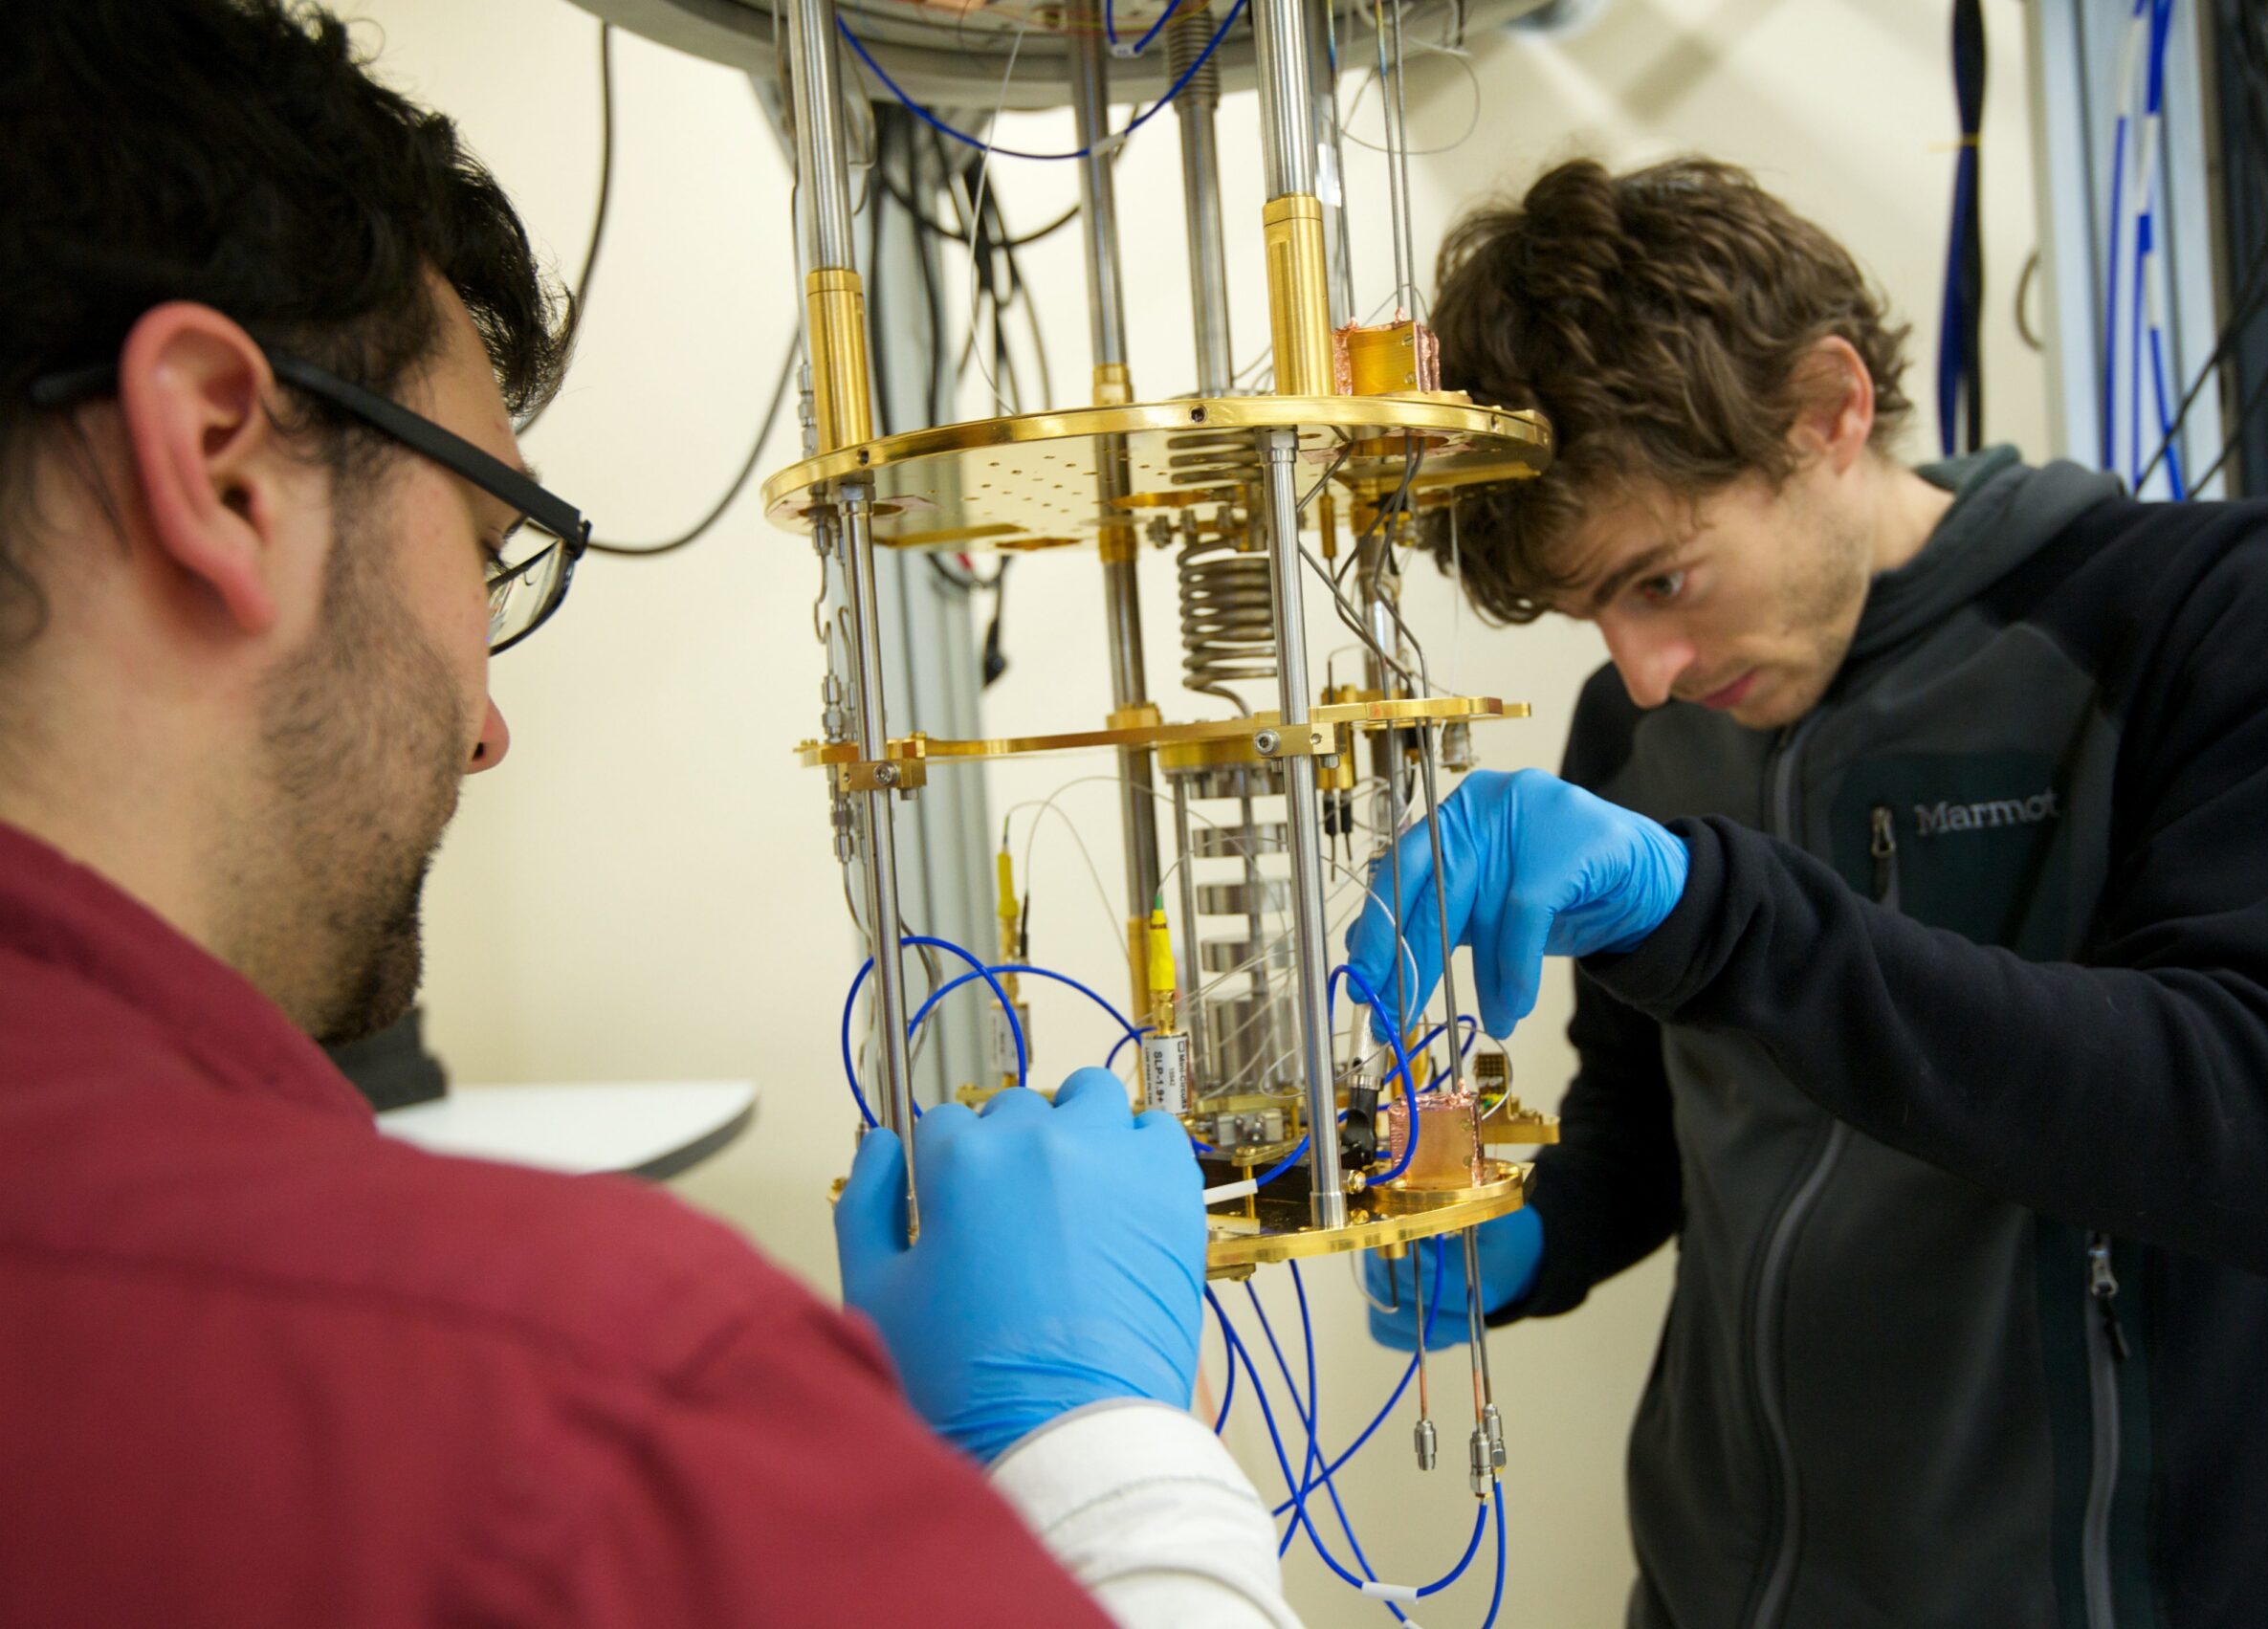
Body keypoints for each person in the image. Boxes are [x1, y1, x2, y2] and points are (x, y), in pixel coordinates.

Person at [0, 4, 1296, 1624]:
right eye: (490, 547)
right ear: (222, 461)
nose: (487, 731)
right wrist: (1102, 1453)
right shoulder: (571, 1405)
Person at [1352, 157, 2268, 1629]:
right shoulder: (1643, 737)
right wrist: (1529, 1232)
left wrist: (1722, 917)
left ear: (1830, 410)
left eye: (1660, 580)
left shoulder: (2215, 618)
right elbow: (1652, 1131)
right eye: (1592, 612)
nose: (1643, 673)